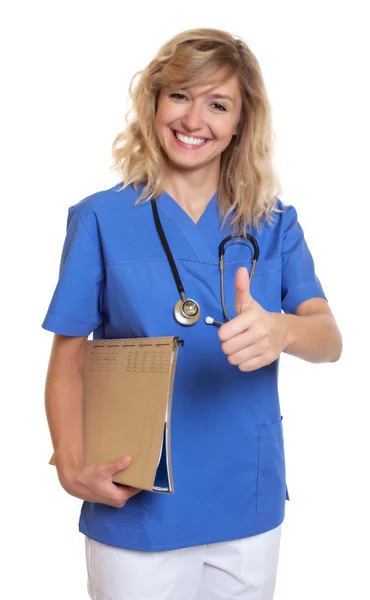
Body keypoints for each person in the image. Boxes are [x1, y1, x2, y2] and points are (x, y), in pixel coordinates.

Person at [42, 28, 342, 600]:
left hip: (245, 501)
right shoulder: (100, 220)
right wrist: (72, 467)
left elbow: (328, 338)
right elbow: (68, 358)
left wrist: (282, 330)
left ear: (239, 124)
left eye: (218, 104)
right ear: (154, 102)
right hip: (138, 500)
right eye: (180, 95)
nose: (194, 119)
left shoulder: (274, 222)